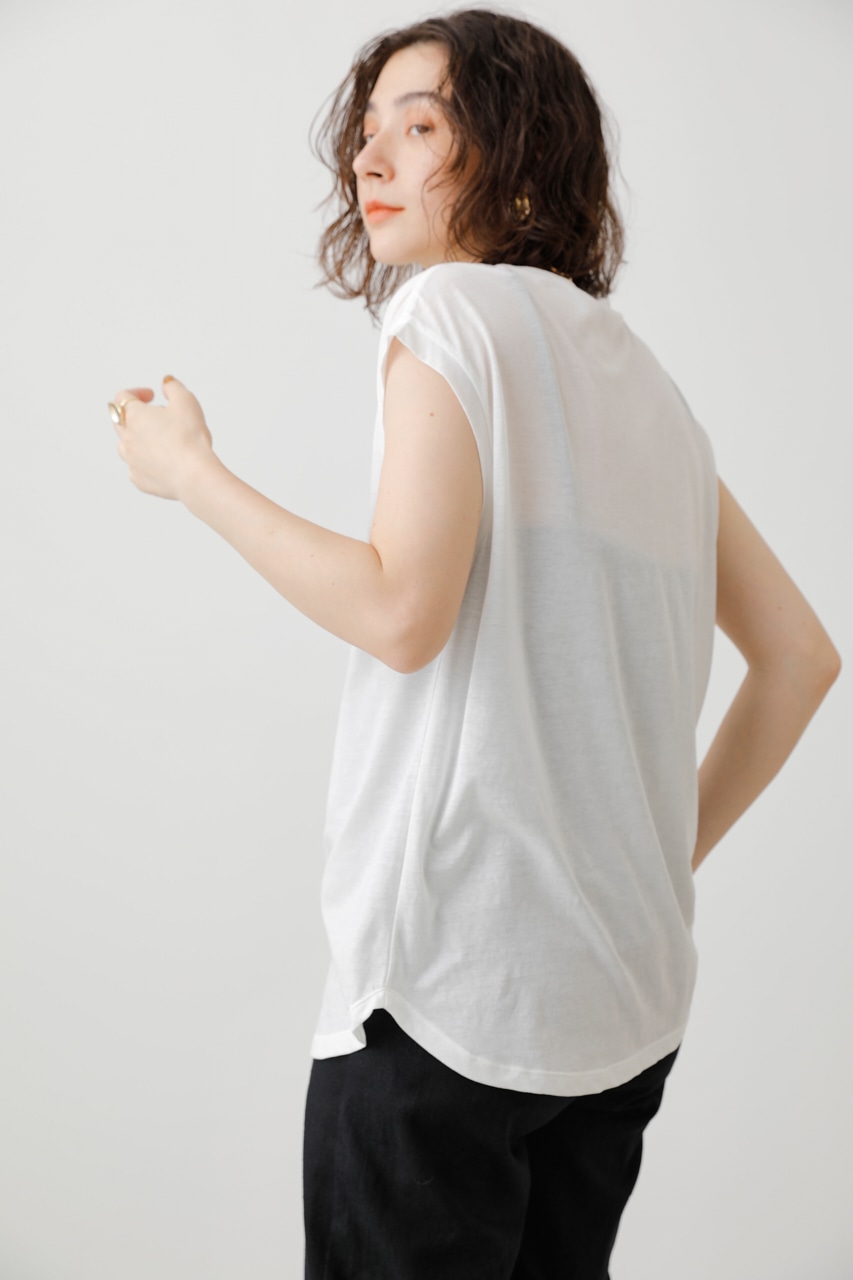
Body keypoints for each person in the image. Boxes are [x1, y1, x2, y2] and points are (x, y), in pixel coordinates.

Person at [108, 9, 840, 1277]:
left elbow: (403, 611)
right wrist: (655, 853)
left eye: (421, 125)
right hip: (618, 1003)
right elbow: (800, 657)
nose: (369, 158)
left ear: (517, 152)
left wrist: (193, 474)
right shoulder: (649, 389)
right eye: (368, 129)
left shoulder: (447, 315)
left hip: (447, 996)